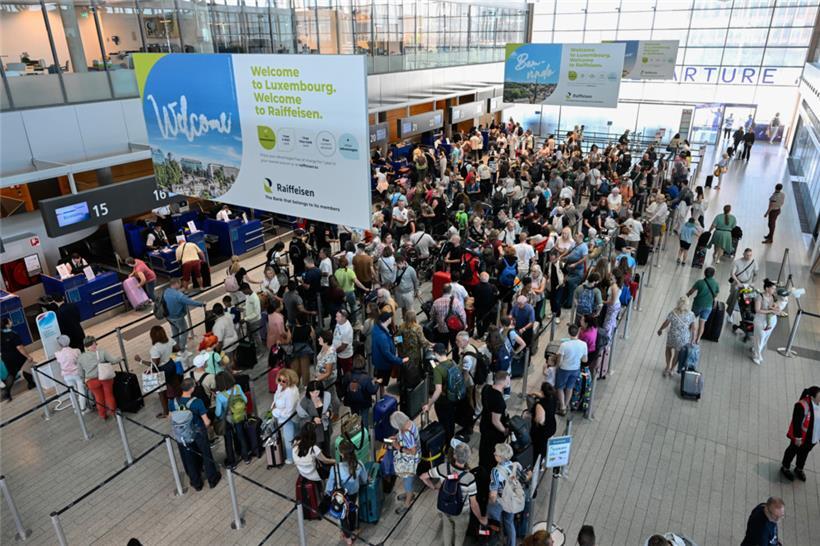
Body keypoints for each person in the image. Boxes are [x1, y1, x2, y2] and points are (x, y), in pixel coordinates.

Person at [419, 442, 485, 546]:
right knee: (459, 535)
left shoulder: (443, 468)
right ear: (467, 458)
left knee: (447, 530)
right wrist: (481, 518)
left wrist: (433, 487)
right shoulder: (470, 478)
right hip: (461, 512)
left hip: (445, 507)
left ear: (454, 455)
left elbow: (423, 476)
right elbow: (474, 504)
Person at [169, 377, 222, 491]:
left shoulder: (172, 402)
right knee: (206, 455)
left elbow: (171, 417)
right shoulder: (197, 402)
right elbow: (206, 421)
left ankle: (196, 482)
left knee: (188, 458)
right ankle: (212, 479)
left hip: (182, 435)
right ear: (192, 388)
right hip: (198, 433)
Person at [325, 440, 369, 546]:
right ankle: (353, 531)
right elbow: (364, 479)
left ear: (341, 454)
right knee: (352, 510)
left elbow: (330, 486)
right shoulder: (358, 464)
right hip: (353, 493)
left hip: (341, 497)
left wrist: (327, 494)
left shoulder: (335, 468)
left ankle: (348, 538)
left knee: (343, 516)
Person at [134, 325, 180, 418]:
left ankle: (166, 413)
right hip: (171, 364)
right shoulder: (169, 340)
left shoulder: (155, 348)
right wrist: (168, 352)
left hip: (162, 369)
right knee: (176, 386)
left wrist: (140, 360)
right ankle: (184, 403)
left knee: (162, 392)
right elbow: (177, 348)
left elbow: (154, 365)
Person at [488, 442, 528, 546]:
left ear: (501, 457)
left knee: (496, 521)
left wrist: (491, 503)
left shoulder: (495, 472)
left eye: (496, 454)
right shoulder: (515, 465)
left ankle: (498, 539)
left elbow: (493, 493)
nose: (493, 454)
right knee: (509, 522)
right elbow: (523, 479)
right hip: (513, 499)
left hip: (501, 501)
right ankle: (512, 543)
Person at [293, 421, 335, 518]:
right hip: (314, 475)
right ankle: (328, 492)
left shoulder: (295, 444)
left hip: (302, 472)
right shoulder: (314, 449)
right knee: (331, 470)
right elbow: (326, 460)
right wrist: (336, 461)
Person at [423, 343, 461, 444]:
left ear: (435, 353)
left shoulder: (438, 370)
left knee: (443, 423)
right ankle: (451, 441)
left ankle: (445, 443)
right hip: (453, 398)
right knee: (451, 421)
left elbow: (438, 390)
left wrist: (429, 404)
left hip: (442, 402)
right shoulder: (452, 362)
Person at [77, 335, 123, 419]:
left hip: (91, 381)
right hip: (105, 377)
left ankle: (102, 414)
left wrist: (84, 381)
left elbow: (80, 373)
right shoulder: (102, 352)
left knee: (98, 398)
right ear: (94, 343)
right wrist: (120, 358)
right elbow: (113, 361)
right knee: (109, 395)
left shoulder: (81, 358)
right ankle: (113, 412)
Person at [780, 385, 819, 482]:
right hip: (801, 437)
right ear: (812, 396)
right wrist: (798, 437)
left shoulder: (818, 404)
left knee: (804, 454)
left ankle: (799, 468)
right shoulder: (802, 405)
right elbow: (796, 422)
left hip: (812, 438)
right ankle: (785, 467)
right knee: (792, 451)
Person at [213, 372, 250, 468]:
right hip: (238, 416)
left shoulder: (220, 396)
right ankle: (246, 457)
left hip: (227, 420)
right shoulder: (237, 387)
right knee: (241, 435)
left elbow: (218, 413)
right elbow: (245, 400)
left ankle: (232, 462)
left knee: (228, 441)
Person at [388, 410, 420, 515]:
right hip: (411, 458)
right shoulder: (409, 423)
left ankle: (407, 503)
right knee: (407, 482)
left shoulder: (407, 433)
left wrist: (398, 447)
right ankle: (408, 494)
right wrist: (396, 438)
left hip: (410, 462)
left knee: (408, 483)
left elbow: (413, 451)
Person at [656, 296, 697, 377]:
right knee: (677, 353)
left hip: (672, 336)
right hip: (683, 339)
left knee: (668, 349)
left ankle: (667, 367)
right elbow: (694, 328)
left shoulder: (673, 312)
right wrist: (693, 339)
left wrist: (660, 329)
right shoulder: (691, 314)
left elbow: (666, 323)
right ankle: (672, 369)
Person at [163, 277, 205, 354]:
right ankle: (182, 350)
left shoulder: (166, 291)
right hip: (178, 317)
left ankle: (176, 347)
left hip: (169, 317)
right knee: (184, 332)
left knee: (175, 332)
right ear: (176, 284)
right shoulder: (178, 295)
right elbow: (190, 302)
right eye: (179, 284)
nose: (180, 285)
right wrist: (201, 303)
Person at [371, 311, 408, 394]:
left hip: (379, 361)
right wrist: (400, 360)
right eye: (390, 317)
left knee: (381, 383)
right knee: (381, 383)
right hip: (383, 365)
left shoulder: (378, 328)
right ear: (387, 320)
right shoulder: (382, 336)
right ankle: (380, 398)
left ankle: (381, 396)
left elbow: (390, 340)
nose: (391, 318)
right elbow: (387, 354)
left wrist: (400, 340)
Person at [479, 371, 510, 470]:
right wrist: (504, 431)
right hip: (493, 433)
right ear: (504, 381)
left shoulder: (486, 388)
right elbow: (495, 421)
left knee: (483, 449)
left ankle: (482, 467)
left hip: (484, 424)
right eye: (508, 379)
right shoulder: (498, 400)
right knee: (490, 454)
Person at [555, 325, 588, 415]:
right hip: (575, 369)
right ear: (578, 332)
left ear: (569, 333)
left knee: (560, 387)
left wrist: (557, 367)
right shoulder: (583, 344)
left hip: (564, 369)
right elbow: (585, 360)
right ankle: (566, 404)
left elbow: (559, 360)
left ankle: (562, 407)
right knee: (570, 387)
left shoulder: (564, 345)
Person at [751, 279, 785, 366]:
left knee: (765, 338)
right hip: (760, 320)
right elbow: (757, 310)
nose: (774, 290)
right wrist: (769, 311)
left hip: (772, 321)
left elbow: (778, 307)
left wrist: (776, 310)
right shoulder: (760, 296)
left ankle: (757, 351)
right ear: (766, 288)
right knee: (760, 338)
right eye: (772, 288)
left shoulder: (774, 297)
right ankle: (757, 356)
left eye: (774, 288)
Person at [339, 355, 379, 428]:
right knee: (364, 419)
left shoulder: (347, 375)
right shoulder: (366, 378)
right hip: (364, 402)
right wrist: (377, 383)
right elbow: (372, 391)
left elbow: (343, 389)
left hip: (352, 401)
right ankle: (365, 435)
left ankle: (356, 433)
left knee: (354, 418)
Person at [0, 317, 35, 399]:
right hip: (16, 356)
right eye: (10, 321)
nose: (11, 322)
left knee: (11, 374)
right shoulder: (13, 334)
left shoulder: (1, 335)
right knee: (26, 367)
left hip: (6, 357)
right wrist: (28, 356)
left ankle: (7, 391)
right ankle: (31, 384)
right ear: (7, 324)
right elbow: (19, 347)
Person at [271, 368, 300, 464]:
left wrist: (275, 411)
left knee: (289, 438)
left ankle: (291, 458)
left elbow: (288, 412)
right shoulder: (280, 387)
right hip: (286, 417)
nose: (281, 382)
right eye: (279, 380)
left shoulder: (290, 392)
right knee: (293, 435)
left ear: (289, 380)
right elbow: (276, 397)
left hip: (289, 418)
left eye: (284, 381)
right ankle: (295, 454)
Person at [297, 380, 333, 455]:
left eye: (317, 392)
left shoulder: (325, 397)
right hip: (314, 432)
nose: (314, 395)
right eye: (312, 392)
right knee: (317, 451)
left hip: (325, 428)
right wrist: (312, 419)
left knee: (327, 449)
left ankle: (327, 464)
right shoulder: (305, 402)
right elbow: (301, 419)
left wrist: (329, 412)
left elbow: (330, 407)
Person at [686, 267, 719, 344]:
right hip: (708, 306)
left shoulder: (700, 282)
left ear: (704, 273)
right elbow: (716, 294)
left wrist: (686, 295)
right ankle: (698, 339)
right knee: (702, 323)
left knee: (692, 320)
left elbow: (691, 291)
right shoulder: (716, 283)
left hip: (697, 304)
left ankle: (689, 335)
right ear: (713, 274)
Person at [54, 335, 85, 411]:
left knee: (71, 392)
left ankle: (75, 408)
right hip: (77, 373)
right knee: (81, 391)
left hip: (66, 375)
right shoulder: (76, 351)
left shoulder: (57, 354)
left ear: (60, 344)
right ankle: (83, 408)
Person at [315, 330, 341, 414]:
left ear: (325, 340)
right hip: (322, 377)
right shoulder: (324, 346)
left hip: (328, 379)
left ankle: (336, 412)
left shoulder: (330, 354)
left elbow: (328, 373)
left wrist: (317, 379)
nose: (318, 339)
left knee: (332, 396)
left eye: (320, 338)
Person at [727, 248, 758, 316]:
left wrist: (753, 282)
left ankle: (743, 313)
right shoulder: (737, 262)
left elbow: (755, 273)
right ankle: (729, 311)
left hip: (747, 283)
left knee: (746, 298)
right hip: (736, 282)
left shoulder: (754, 262)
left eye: (750, 255)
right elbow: (732, 273)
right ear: (743, 254)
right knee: (733, 296)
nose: (749, 257)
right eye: (747, 255)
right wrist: (738, 282)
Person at [290, 312, 315, 388]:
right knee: (305, 369)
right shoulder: (309, 327)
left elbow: (289, 339)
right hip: (305, 350)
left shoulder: (292, 328)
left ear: (297, 320)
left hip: (295, 350)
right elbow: (313, 337)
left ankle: (295, 384)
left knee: (295, 369)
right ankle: (306, 384)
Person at [240, 283, 263, 351]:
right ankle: (255, 348)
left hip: (255, 321)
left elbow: (256, 312)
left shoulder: (255, 298)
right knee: (252, 335)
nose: (243, 293)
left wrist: (245, 319)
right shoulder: (248, 296)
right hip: (250, 320)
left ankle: (261, 350)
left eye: (243, 291)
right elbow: (249, 307)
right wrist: (243, 308)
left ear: (247, 289)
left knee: (257, 336)